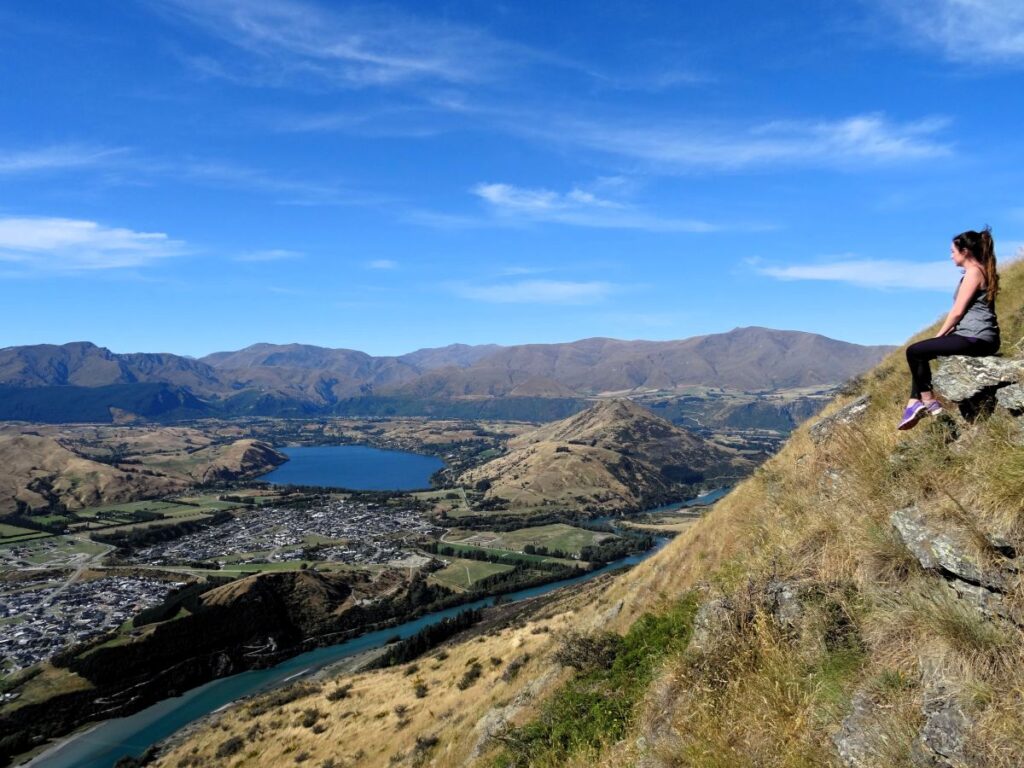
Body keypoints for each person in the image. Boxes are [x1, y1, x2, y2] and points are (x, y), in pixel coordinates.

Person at [898, 227, 1000, 430]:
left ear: (965, 252)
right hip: (980, 337)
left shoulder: (973, 272)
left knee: (915, 351)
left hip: (976, 337)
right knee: (919, 353)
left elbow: (956, 312)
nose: (950, 255)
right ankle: (913, 403)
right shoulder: (981, 270)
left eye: (953, 251)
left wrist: (938, 336)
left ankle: (927, 402)